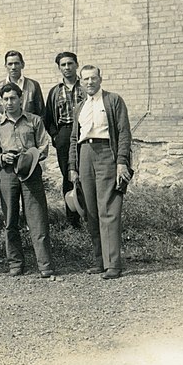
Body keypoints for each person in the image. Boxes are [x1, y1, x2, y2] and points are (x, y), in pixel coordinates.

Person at [68, 65, 133, 280]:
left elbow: (124, 132)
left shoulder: (113, 100)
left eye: (93, 78)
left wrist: (122, 162)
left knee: (109, 209)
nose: (89, 82)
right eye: (85, 79)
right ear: (80, 81)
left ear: (100, 79)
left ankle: (113, 264)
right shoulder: (79, 107)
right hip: (85, 154)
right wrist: (72, 167)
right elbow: (73, 139)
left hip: (107, 153)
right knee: (90, 210)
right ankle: (99, 261)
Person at [0, 83, 54, 277]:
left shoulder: (34, 121)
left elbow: (43, 146)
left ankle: (44, 264)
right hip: (7, 174)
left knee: (37, 218)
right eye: (5, 99)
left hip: (31, 172)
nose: (9, 102)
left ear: (21, 99)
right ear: (0, 102)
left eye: (13, 98)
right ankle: (15, 263)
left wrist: (28, 157)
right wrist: (1, 158)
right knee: (10, 219)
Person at [44, 51, 86, 228]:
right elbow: (47, 118)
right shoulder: (55, 91)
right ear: (59, 68)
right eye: (63, 65)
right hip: (64, 133)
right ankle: (72, 220)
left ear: (76, 64)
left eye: (70, 63)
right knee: (68, 176)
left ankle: (89, 215)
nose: (67, 68)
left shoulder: (85, 87)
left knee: (84, 174)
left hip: (84, 134)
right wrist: (56, 136)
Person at [0, 50, 46, 124]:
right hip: (6, 132)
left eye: (16, 63)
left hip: (29, 130)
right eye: (10, 64)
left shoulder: (33, 85)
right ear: (5, 66)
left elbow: (41, 114)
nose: (13, 67)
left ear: (22, 65)